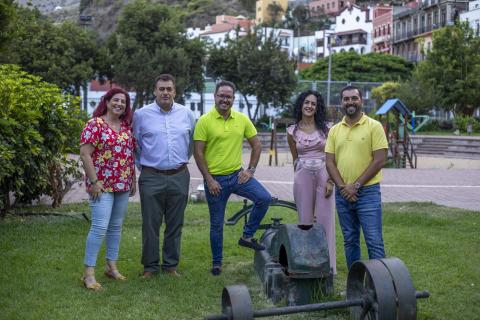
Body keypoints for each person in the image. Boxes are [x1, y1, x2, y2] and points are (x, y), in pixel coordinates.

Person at [193, 80, 271, 276]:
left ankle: (247, 235)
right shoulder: (204, 121)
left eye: (228, 96)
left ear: (233, 99)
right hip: (215, 181)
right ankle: (217, 263)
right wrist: (209, 180)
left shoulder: (242, 119)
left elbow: (257, 145)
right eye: (221, 95)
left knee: (264, 198)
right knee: (217, 224)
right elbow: (198, 153)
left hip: (237, 176)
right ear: (215, 97)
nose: (224, 99)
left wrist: (250, 170)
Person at [133, 74, 195, 278]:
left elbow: (191, 144)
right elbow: (136, 146)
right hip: (151, 176)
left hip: (179, 175)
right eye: (161, 89)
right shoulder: (141, 115)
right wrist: (147, 168)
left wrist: (178, 163)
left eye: (169, 89)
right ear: (155, 91)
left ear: (175, 91)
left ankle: (170, 265)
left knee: (175, 222)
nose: (165, 92)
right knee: (150, 223)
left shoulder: (187, 114)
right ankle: (150, 267)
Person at [325, 85, 388, 270]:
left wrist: (356, 185)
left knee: (374, 241)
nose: (350, 102)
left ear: (361, 100)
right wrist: (344, 188)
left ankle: (381, 286)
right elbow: (329, 162)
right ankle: (356, 285)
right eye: (346, 99)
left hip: (367, 193)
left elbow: (380, 160)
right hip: (343, 194)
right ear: (341, 102)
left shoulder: (374, 126)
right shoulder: (335, 130)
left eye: (354, 98)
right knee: (350, 241)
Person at [79, 88, 136, 290]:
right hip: (101, 185)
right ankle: (88, 274)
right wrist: (94, 182)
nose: (119, 104)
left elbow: (129, 155)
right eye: (116, 100)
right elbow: (85, 154)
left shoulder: (126, 126)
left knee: (115, 227)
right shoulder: (95, 124)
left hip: (122, 183)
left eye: (123, 102)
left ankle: (111, 267)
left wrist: (133, 181)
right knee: (99, 227)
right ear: (107, 101)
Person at [286, 90, 336, 275]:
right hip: (303, 176)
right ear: (301, 104)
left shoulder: (327, 129)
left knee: (325, 220)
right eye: (306, 102)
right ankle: (307, 264)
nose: (309, 106)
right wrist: (299, 179)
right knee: (305, 221)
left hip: (324, 174)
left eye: (313, 104)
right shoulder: (292, 131)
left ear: (317, 108)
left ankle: (329, 266)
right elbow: (295, 158)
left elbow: (333, 157)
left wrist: (331, 180)